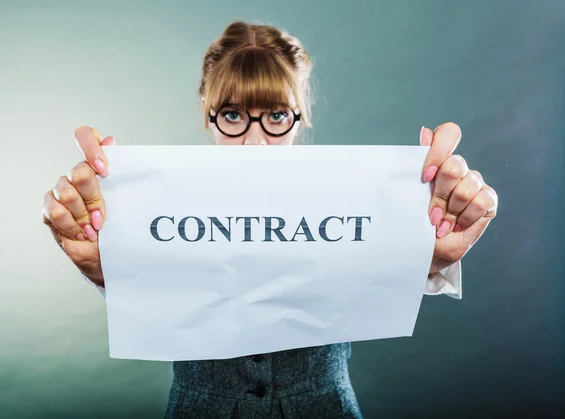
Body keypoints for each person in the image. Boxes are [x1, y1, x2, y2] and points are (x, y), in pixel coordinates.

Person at [41, 21, 498, 418]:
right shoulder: (160, 205)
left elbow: (385, 262)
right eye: (234, 115)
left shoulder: (352, 199)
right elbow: (144, 279)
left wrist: (429, 251)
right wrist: (107, 264)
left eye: (277, 115)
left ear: (301, 116)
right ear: (207, 112)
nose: (256, 142)